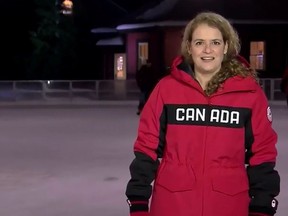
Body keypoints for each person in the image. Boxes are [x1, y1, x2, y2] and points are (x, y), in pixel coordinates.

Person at [125, 11, 280, 216]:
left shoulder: (250, 94)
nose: (207, 50)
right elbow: (146, 147)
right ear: (189, 47)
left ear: (226, 46)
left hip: (229, 205)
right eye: (199, 43)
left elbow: (263, 153)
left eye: (215, 42)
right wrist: (138, 200)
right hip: (172, 204)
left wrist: (262, 206)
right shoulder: (166, 90)